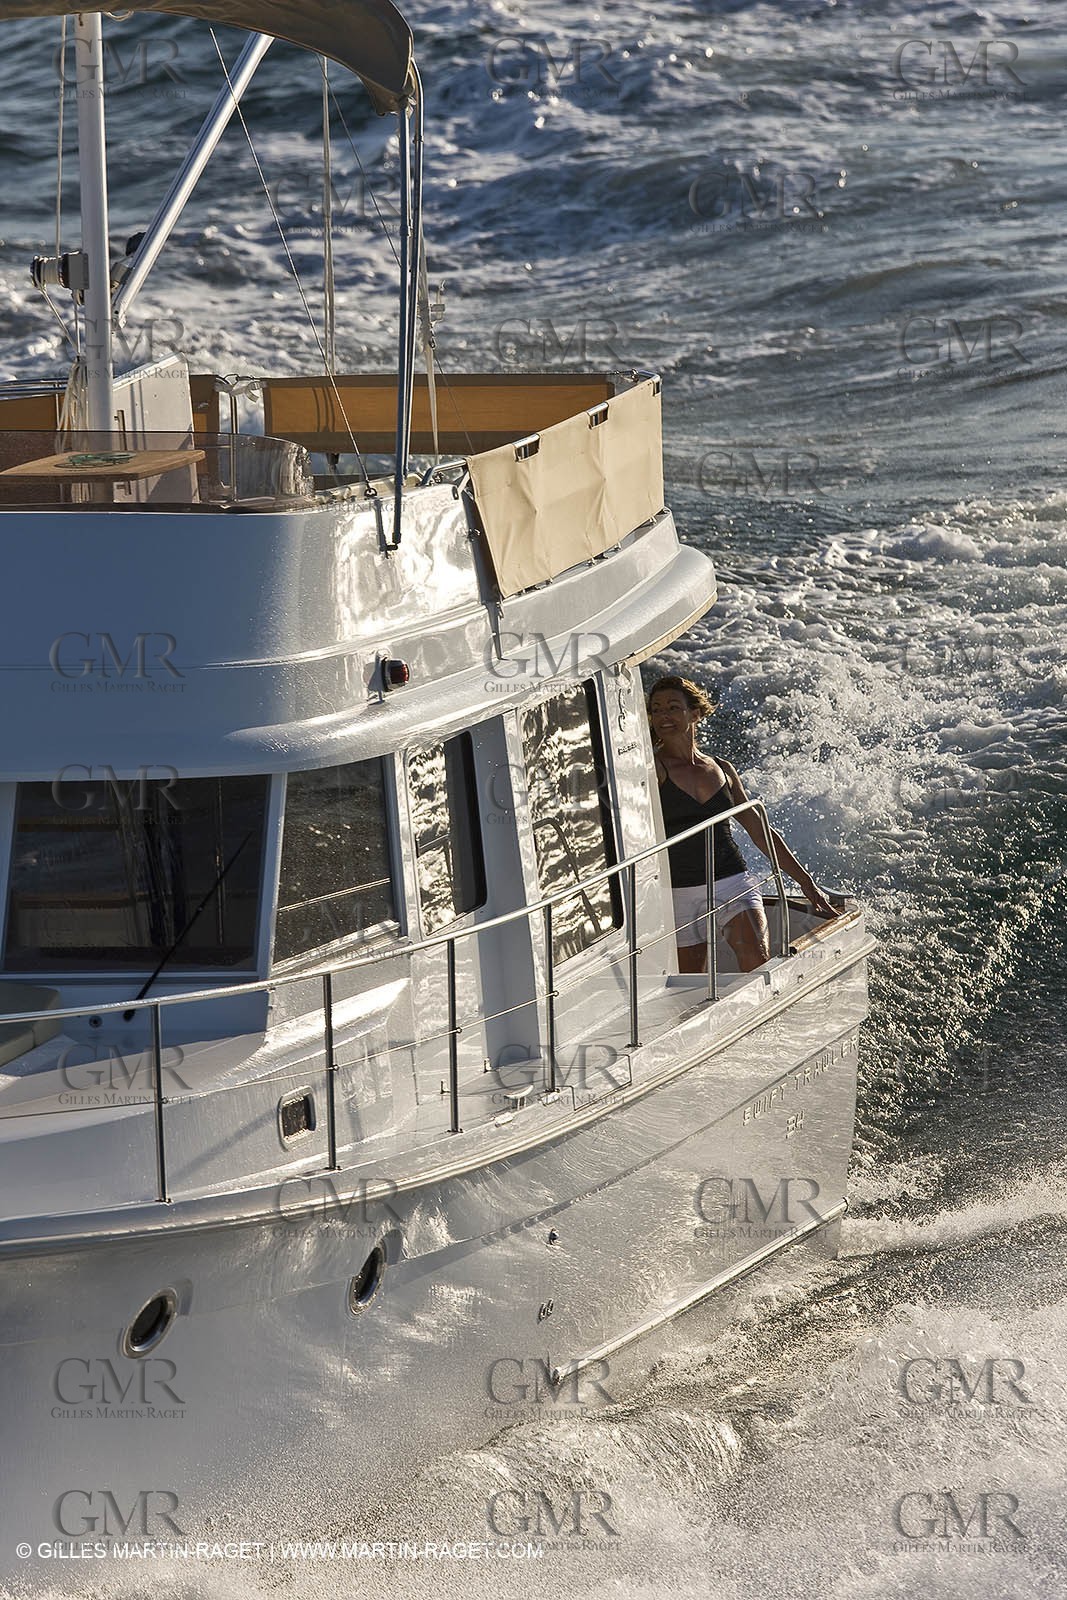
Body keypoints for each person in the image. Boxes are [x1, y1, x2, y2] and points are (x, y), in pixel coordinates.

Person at [647, 674, 835, 973]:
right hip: (680, 891)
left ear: (694, 713)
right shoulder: (651, 769)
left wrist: (806, 883)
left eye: (672, 707)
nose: (663, 716)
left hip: (733, 880)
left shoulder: (722, 768)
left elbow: (760, 831)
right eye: (656, 709)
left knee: (757, 963)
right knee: (690, 983)